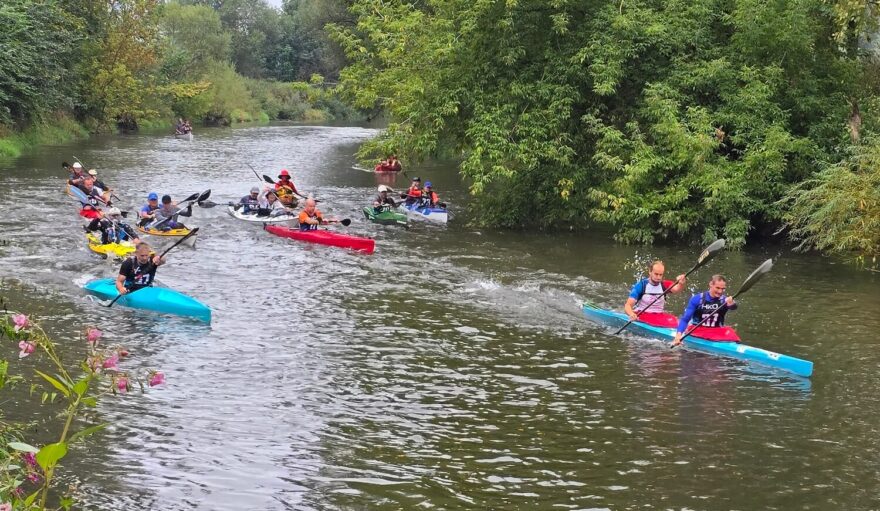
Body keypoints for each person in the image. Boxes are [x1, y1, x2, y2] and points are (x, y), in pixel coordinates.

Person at [671, 274, 739, 346]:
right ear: (711, 284)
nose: (720, 291)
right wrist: (678, 335)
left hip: (717, 331)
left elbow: (734, 307)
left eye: (723, 289)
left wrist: (731, 303)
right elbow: (685, 319)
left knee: (731, 332)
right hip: (699, 330)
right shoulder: (697, 299)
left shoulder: (725, 300)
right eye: (717, 288)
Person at [623, 261, 686, 327]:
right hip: (643, 314)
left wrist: (681, 283)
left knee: (676, 321)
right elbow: (628, 305)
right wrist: (632, 314)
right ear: (650, 272)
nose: (658, 277)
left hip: (659, 315)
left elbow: (677, 289)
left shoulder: (664, 284)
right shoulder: (641, 285)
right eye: (656, 274)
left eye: (660, 275)